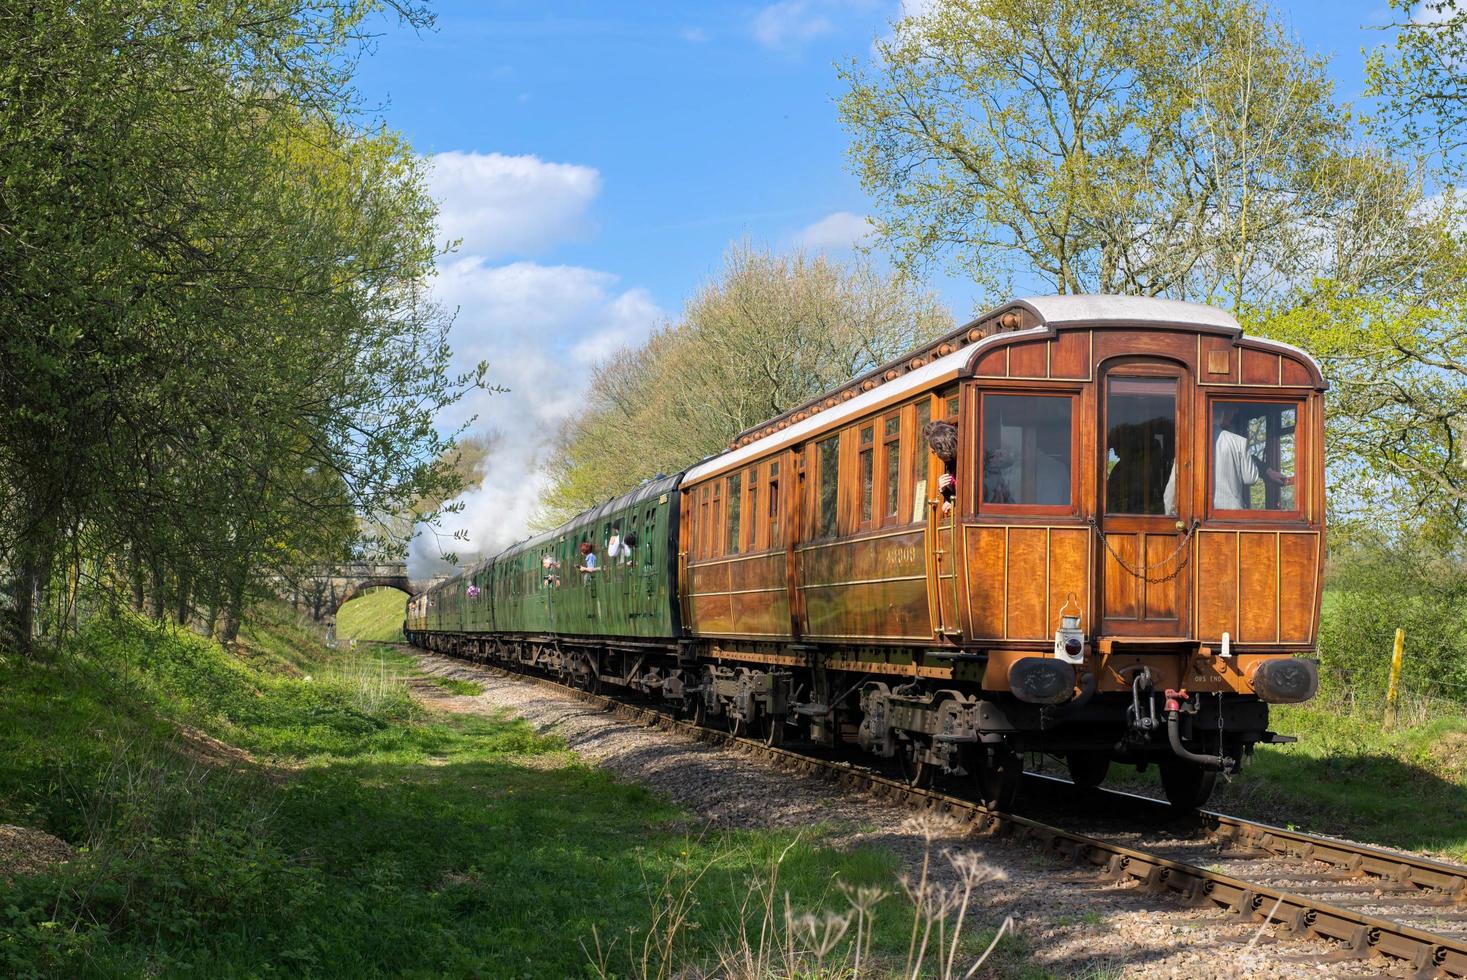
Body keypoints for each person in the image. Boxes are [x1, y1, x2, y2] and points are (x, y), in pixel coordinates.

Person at [1214, 406, 1283, 510]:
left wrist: (1267, 470)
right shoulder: (1238, 441)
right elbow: (1250, 478)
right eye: (1233, 412)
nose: (1233, 417)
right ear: (1224, 412)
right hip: (1230, 512)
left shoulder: (1193, 440)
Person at [923, 420, 959, 515]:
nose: (935, 454)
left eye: (935, 451)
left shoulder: (963, 461)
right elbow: (953, 497)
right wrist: (943, 489)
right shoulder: (949, 465)